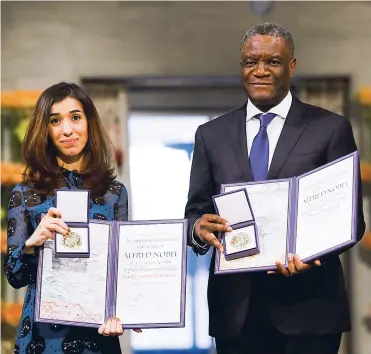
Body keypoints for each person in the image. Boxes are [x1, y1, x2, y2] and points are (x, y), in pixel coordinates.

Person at [185, 23, 366, 354]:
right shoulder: (210, 135)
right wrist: (198, 229)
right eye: (251, 62)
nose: (260, 70)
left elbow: (352, 220)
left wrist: (315, 255)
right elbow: (195, 213)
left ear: (291, 66)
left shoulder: (330, 129)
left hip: (309, 310)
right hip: (235, 313)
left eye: (272, 62)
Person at [4, 82, 140, 354]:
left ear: (89, 123)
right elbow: (15, 276)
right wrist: (33, 243)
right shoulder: (25, 194)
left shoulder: (114, 194)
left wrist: (127, 311)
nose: (67, 130)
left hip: (98, 336)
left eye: (75, 117)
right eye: (55, 120)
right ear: (45, 130)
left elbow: (121, 271)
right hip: (42, 339)